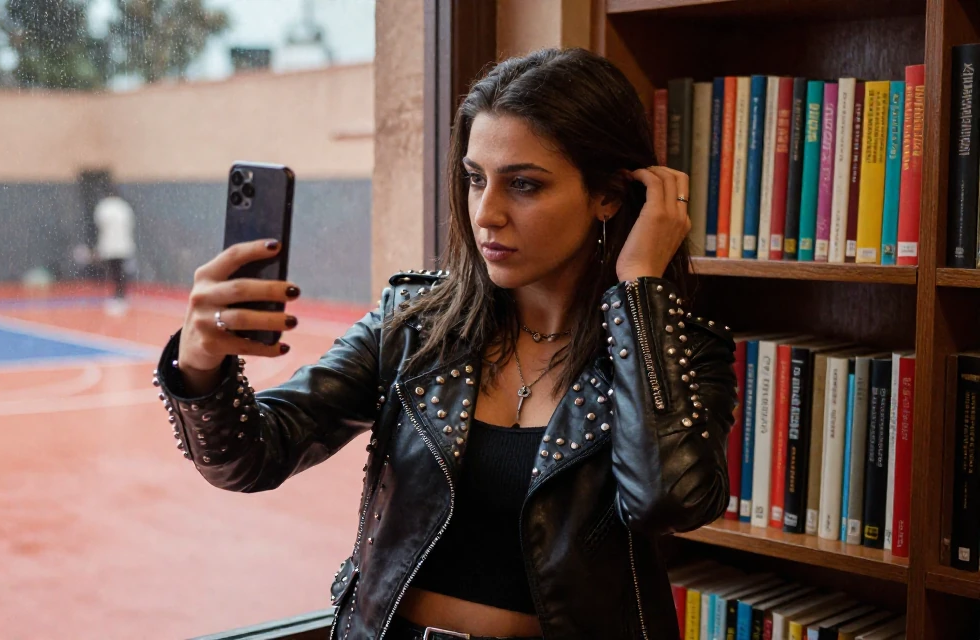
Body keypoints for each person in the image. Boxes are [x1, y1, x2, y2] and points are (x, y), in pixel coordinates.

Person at [155, 48, 736, 640]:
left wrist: (639, 288)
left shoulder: (669, 351)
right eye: (475, 178)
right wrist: (201, 362)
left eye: (525, 185)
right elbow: (251, 456)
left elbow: (668, 502)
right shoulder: (415, 324)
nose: (486, 213)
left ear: (607, 196)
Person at [93, 185, 136, 316]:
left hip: (111, 246)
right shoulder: (124, 207)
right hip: (123, 245)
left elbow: (100, 226)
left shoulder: (103, 207)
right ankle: (120, 296)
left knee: (115, 272)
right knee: (120, 271)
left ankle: (119, 297)